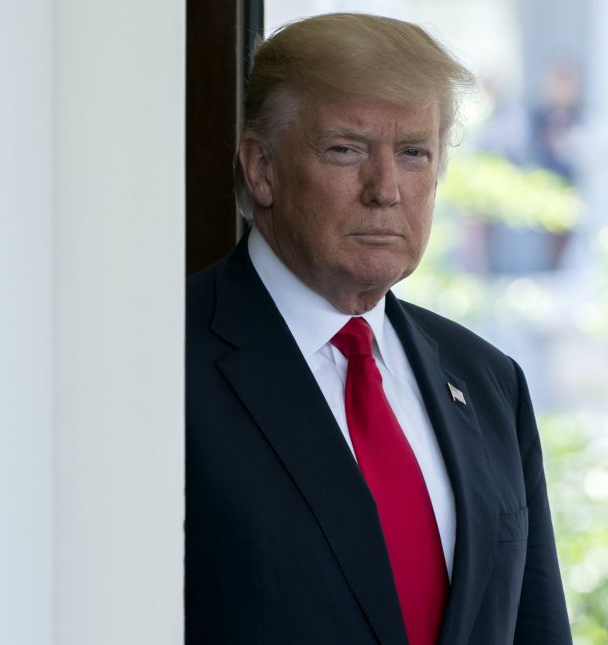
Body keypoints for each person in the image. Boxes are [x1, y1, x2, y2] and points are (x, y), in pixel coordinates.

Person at [186, 13, 571, 644]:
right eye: (347, 149)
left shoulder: (489, 379)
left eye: (414, 153)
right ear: (262, 169)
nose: (385, 189)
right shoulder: (166, 363)